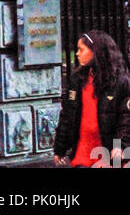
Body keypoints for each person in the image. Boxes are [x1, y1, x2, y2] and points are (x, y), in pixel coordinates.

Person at [53, 30, 130, 167]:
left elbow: (125, 118)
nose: (77, 54)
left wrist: (120, 146)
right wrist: (60, 148)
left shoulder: (120, 82)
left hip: (108, 153)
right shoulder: (77, 80)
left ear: (96, 51)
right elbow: (67, 115)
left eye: (81, 49)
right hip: (82, 153)